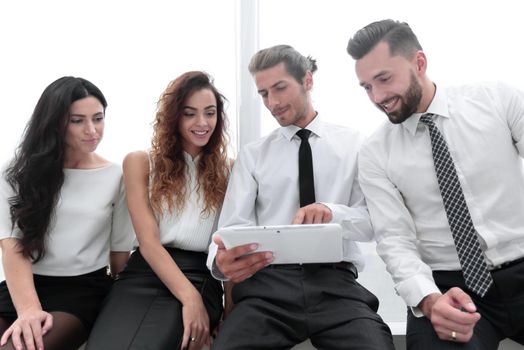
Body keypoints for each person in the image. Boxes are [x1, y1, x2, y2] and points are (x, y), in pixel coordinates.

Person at [347, 19, 524, 349]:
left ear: (420, 63)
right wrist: (429, 300)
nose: (378, 96)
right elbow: (394, 240)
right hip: (449, 287)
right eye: (367, 87)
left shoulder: (498, 100)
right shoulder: (375, 153)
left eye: (384, 79)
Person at [208, 44, 394, 350]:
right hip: (267, 288)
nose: (272, 102)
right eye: (264, 93)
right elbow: (230, 229)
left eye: (280, 88)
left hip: (336, 285)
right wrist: (220, 263)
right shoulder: (253, 155)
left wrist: (333, 213)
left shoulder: (355, 144)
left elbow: (375, 222)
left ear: (307, 80)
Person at [86, 71, 229, 350]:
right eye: (190, 114)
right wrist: (190, 299)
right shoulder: (140, 162)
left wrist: (229, 311)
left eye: (209, 113)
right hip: (142, 274)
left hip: (199, 275)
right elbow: (149, 243)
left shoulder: (230, 171)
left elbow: (233, 248)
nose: (202, 123)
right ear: (174, 117)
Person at [0, 76, 134, 350]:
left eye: (98, 118)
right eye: (77, 120)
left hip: (83, 292)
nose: (92, 130)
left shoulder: (115, 176)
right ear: (54, 122)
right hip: (24, 287)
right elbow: (12, 245)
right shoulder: (16, 173)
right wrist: (28, 310)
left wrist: (129, 308)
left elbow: (120, 254)